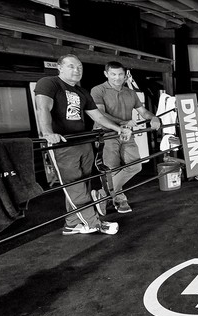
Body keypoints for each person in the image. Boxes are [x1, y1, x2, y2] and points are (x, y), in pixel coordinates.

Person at [34, 54, 133, 235]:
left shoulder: (82, 92)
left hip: (83, 140)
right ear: (59, 67)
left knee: (85, 182)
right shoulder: (49, 83)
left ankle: (72, 223)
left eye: (79, 67)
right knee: (74, 184)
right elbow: (43, 108)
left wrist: (118, 128)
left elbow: (98, 116)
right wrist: (48, 133)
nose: (76, 70)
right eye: (71, 66)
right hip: (63, 144)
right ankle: (93, 222)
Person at [90, 61, 161, 214]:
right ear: (106, 74)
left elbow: (143, 112)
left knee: (136, 164)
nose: (117, 77)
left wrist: (153, 118)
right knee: (113, 169)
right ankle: (120, 199)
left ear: (125, 75)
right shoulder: (98, 90)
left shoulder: (130, 92)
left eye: (120, 74)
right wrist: (123, 122)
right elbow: (100, 114)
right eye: (113, 74)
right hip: (106, 134)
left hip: (126, 133)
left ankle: (103, 195)